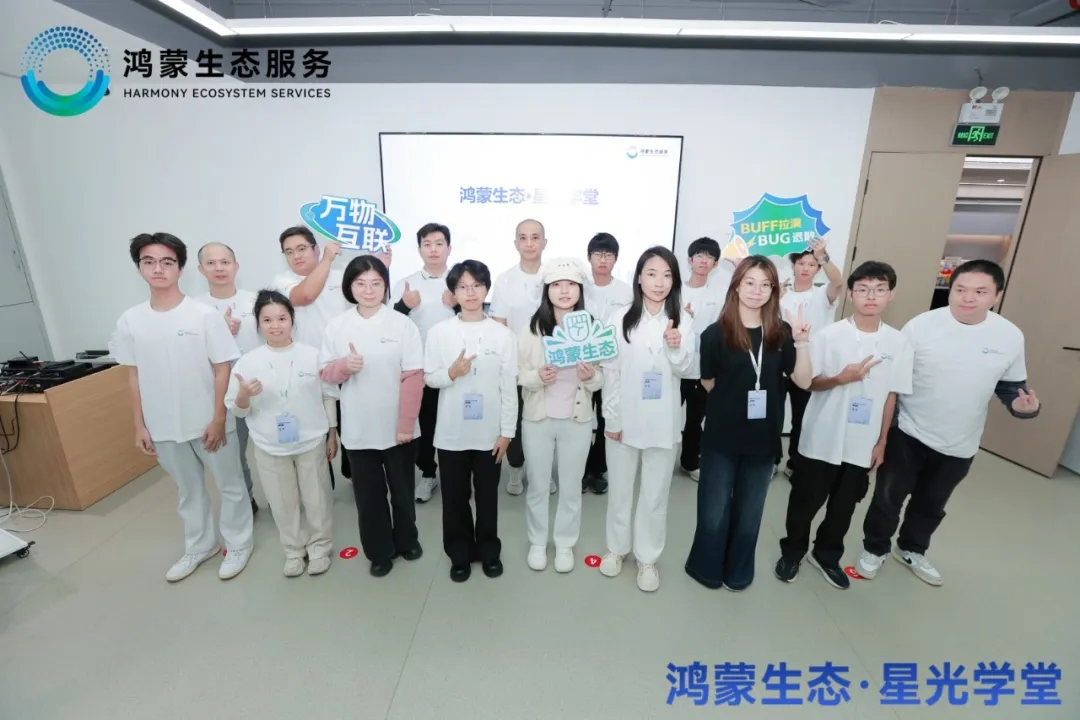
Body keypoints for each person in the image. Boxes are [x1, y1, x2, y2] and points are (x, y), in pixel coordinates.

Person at [857, 259, 1039, 586]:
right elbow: (894, 382)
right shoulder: (921, 326)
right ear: (951, 290)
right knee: (887, 498)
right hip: (908, 433)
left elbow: (1011, 387)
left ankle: (911, 549)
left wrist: (1022, 406)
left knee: (932, 504)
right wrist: (883, 435)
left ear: (996, 295)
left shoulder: (1010, 336)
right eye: (960, 290)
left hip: (961, 441)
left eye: (980, 292)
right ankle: (875, 548)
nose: (968, 298)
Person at [110, 233, 253, 582]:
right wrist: (139, 425)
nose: (158, 269)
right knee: (188, 491)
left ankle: (238, 543)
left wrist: (219, 417)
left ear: (181, 268)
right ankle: (200, 546)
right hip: (162, 425)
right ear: (139, 268)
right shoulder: (130, 320)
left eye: (167, 262)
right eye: (149, 262)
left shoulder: (203, 315)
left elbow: (223, 368)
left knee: (230, 485)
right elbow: (133, 375)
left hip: (208, 420)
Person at [775, 261, 913, 589]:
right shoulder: (829, 335)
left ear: (891, 295)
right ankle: (792, 551)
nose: (871, 296)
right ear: (850, 294)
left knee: (844, 506)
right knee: (805, 501)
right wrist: (840, 378)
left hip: (862, 442)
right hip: (822, 436)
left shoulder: (899, 343)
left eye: (879, 290)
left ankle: (826, 554)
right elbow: (808, 383)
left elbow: (891, 396)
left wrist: (882, 442)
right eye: (863, 289)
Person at [684, 255, 812, 592]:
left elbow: (803, 381)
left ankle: (738, 572)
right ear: (736, 286)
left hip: (763, 439)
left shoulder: (781, 333)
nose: (757, 291)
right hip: (721, 437)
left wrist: (802, 342)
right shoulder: (715, 334)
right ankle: (706, 568)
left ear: (773, 290)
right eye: (750, 283)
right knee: (713, 511)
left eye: (765, 285)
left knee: (750, 513)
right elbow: (708, 381)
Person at [598, 246, 696, 592]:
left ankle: (647, 557)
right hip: (625, 418)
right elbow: (610, 370)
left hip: (663, 421)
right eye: (652, 274)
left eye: (667, 275)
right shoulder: (619, 317)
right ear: (639, 278)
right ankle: (616, 549)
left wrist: (675, 346)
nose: (659, 282)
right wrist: (611, 418)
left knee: (655, 495)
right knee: (620, 491)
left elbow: (687, 369)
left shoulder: (683, 320)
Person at [321, 255, 425, 577]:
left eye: (376, 283)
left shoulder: (401, 324)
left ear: (385, 286)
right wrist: (344, 366)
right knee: (368, 497)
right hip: (359, 428)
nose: (369, 290)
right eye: (360, 283)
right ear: (349, 287)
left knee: (403, 492)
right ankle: (379, 552)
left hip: (398, 427)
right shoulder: (337, 327)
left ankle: (407, 540)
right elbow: (325, 373)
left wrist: (405, 425)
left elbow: (413, 376)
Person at [225, 290, 339, 577]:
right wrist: (243, 396)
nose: (275, 325)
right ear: (258, 324)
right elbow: (238, 411)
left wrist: (332, 432)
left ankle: (320, 548)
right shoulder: (247, 362)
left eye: (282, 318)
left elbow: (328, 395)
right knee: (282, 502)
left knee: (317, 499)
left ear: (292, 320)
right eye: (267, 320)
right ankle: (293, 551)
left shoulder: (313, 355)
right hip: (269, 444)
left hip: (311, 440)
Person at [424, 260, 518, 582]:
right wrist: (451, 373)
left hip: (490, 434)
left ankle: (489, 551)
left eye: (477, 285)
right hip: (451, 433)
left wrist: (507, 433)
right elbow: (429, 378)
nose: (470, 292)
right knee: (454, 499)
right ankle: (460, 553)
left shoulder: (503, 335)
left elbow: (509, 388)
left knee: (488, 497)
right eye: (462, 287)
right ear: (453, 292)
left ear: (486, 288)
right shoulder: (439, 333)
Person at [518, 257, 604, 573]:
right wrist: (537, 376)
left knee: (570, 486)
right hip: (538, 419)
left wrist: (589, 377)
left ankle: (565, 543)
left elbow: (600, 378)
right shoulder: (532, 329)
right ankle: (538, 542)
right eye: (556, 285)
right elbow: (518, 373)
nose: (564, 291)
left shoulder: (591, 328)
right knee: (538, 485)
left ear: (580, 289)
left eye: (571, 285)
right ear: (547, 290)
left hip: (576, 420)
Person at [271, 226, 351, 486]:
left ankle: (355, 475)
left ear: (315, 249)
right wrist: (327, 260)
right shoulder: (282, 282)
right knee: (316, 432)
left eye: (302, 248)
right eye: (289, 252)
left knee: (350, 427)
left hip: (344, 366)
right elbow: (304, 295)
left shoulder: (342, 277)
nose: (296, 256)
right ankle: (322, 487)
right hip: (306, 370)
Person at [390, 223, 457, 504]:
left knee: (455, 422)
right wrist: (404, 306)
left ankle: (456, 476)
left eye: (439, 243)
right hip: (420, 368)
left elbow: (477, 318)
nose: (433, 249)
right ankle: (428, 473)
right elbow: (390, 326)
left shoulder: (460, 281)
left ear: (449, 248)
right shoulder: (405, 284)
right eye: (427, 244)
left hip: (456, 367)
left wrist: (456, 303)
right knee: (425, 425)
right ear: (419, 250)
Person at [196, 242, 260, 514]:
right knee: (234, 454)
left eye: (225, 262)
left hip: (261, 388)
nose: (219, 268)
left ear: (236, 266)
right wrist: (219, 332)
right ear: (201, 269)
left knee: (276, 449)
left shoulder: (256, 301)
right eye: (211, 263)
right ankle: (247, 501)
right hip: (223, 394)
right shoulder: (196, 309)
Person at [490, 219, 548, 496]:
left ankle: (542, 472)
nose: (529, 243)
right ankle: (515, 467)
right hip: (515, 363)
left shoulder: (554, 276)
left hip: (550, 363)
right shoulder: (505, 280)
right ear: (516, 243)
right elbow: (499, 324)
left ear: (544, 242)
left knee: (546, 421)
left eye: (535, 237)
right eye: (523, 238)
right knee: (515, 417)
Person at [777, 239, 844, 477]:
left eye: (812, 264)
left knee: (802, 418)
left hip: (809, 364)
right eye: (801, 263)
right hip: (779, 363)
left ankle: (794, 463)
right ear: (793, 266)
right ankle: (772, 460)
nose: (806, 268)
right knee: (773, 416)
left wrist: (822, 255)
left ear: (818, 269)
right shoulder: (780, 293)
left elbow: (838, 281)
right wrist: (775, 297)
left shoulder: (822, 294)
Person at [581, 232, 633, 495]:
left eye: (608, 255)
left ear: (616, 259)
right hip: (582, 365)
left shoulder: (626, 291)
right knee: (580, 419)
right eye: (598, 254)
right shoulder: (578, 287)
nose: (603, 259)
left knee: (606, 418)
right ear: (589, 257)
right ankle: (580, 470)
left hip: (612, 364)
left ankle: (598, 469)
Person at [679, 237, 729, 482]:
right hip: (676, 367)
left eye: (709, 257)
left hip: (702, 369)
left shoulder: (718, 295)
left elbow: (721, 330)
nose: (703, 260)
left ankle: (690, 461)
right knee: (665, 415)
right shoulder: (675, 290)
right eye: (699, 255)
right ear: (690, 260)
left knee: (695, 419)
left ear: (715, 264)